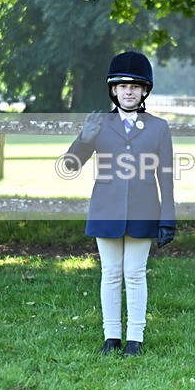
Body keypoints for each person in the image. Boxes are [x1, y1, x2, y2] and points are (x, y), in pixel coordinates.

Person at [65, 51, 176, 357]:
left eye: (135, 86)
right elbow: (71, 166)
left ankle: (135, 338)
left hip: (144, 211)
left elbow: (165, 177)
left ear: (144, 91)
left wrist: (167, 219)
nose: (129, 91)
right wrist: (84, 140)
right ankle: (111, 335)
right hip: (106, 209)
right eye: (123, 86)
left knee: (136, 273)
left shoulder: (158, 127)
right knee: (111, 273)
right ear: (113, 90)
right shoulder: (98, 124)